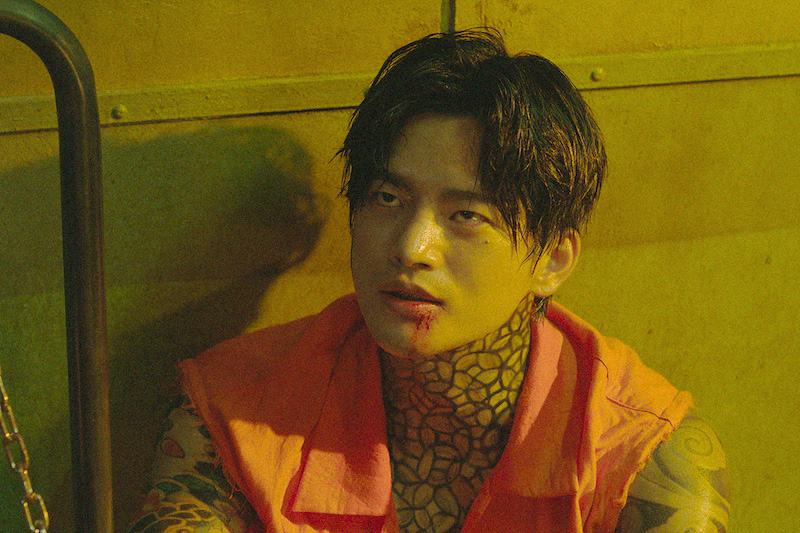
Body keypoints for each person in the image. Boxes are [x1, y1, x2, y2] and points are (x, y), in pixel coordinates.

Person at [127, 30, 730, 533]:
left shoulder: (644, 462)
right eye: (387, 199)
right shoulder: (231, 412)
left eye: (466, 215)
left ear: (552, 258)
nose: (411, 248)